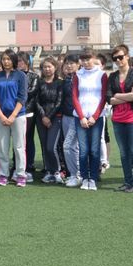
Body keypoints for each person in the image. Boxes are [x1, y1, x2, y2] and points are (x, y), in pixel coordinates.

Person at [106, 45, 133, 193]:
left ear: (127, 56)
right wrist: (127, 96)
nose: (118, 60)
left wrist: (118, 95)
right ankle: (128, 181)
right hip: (118, 119)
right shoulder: (112, 76)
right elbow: (109, 99)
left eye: (121, 57)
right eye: (115, 58)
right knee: (124, 153)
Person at [0, 49, 28, 187]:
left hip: (18, 116)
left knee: (19, 147)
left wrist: (12, 116)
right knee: (2, 148)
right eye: (4, 59)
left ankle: (20, 175)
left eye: (8, 59)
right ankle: (3, 175)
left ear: (13, 60)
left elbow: (22, 97)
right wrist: (1, 115)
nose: (6, 61)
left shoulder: (20, 75)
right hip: (0, 117)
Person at [72, 48, 108, 191]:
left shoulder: (101, 75)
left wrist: (95, 116)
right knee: (83, 150)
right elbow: (75, 96)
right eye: (83, 60)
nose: (86, 62)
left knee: (94, 149)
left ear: (94, 58)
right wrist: (81, 117)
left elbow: (103, 97)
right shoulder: (78, 74)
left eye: (88, 59)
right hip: (80, 118)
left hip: (96, 117)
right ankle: (84, 177)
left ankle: (93, 178)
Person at [35, 56, 64, 184]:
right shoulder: (39, 82)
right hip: (41, 118)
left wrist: (49, 117)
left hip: (55, 118)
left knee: (51, 147)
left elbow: (59, 102)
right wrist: (43, 116)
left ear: (55, 67)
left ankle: (56, 171)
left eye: (49, 66)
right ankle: (48, 171)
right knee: (44, 146)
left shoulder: (60, 83)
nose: (47, 69)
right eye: (44, 67)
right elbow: (36, 101)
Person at [16, 51, 38, 180]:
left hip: (28, 111)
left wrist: (16, 94)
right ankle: (17, 166)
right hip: (15, 111)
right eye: (17, 61)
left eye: (21, 61)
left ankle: (29, 166)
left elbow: (31, 92)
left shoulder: (33, 76)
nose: (18, 63)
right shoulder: (13, 75)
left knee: (28, 140)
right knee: (17, 141)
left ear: (27, 62)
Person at [61, 54, 81, 187]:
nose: (69, 66)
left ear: (78, 64)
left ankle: (77, 174)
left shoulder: (81, 78)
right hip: (66, 116)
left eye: (72, 63)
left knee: (69, 146)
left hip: (78, 117)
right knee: (72, 146)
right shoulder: (66, 79)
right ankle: (74, 174)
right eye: (67, 63)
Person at [95, 53, 111, 174]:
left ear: (102, 65)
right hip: (88, 112)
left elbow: (108, 94)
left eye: (97, 64)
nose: (95, 66)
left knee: (102, 137)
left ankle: (104, 160)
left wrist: (107, 107)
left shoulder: (104, 77)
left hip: (101, 111)